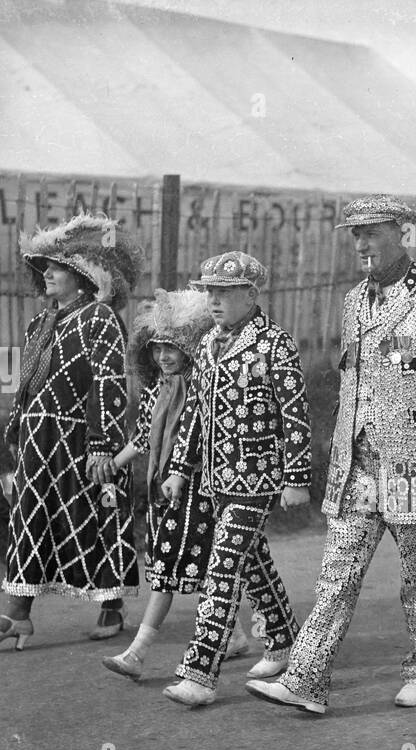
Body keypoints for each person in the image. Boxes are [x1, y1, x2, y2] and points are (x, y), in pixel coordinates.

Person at [245, 195, 416, 716]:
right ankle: (305, 680)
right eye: (355, 234)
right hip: (357, 466)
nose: (362, 244)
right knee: (337, 573)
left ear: (403, 233)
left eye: (372, 232)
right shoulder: (353, 300)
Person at [0, 212, 144, 650]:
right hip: (37, 439)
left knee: (93, 516)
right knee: (29, 517)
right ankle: (17, 615)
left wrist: (103, 443)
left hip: (81, 438)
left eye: (57, 267)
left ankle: (112, 605)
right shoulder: (40, 324)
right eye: (43, 267)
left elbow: (108, 382)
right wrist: (16, 428)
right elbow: (26, 383)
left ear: (84, 278)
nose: (46, 273)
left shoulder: (99, 319)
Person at [160, 251, 313, 707]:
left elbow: (295, 415)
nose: (214, 300)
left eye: (225, 292)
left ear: (251, 294)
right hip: (214, 479)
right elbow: (195, 414)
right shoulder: (206, 346)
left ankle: (200, 673)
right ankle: (285, 638)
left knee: (222, 568)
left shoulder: (274, 345)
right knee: (251, 562)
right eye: (209, 291)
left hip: (258, 478)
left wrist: (297, 478)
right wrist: (179, 469)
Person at [100, 288, 253, 678]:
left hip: (195, 489)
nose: (164, 356)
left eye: (172, 348)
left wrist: (181, 472)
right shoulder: (158, 388)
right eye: (157, 348)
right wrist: (113, 463)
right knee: (200, 568)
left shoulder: (200, 386)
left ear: (189, 350)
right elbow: (143, 438)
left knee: (169, 570)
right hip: (162, 490)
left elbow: (202, 437)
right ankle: (233, 635)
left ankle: (137, 653)